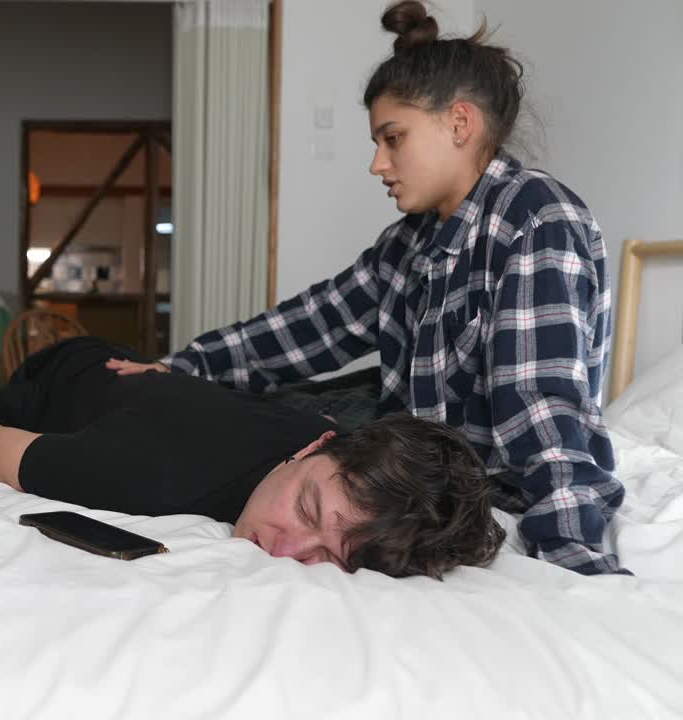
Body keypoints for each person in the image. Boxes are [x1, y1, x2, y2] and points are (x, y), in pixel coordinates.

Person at [107, 1, 624, 575]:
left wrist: (577, 565)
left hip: (460, 491)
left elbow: (547, 419)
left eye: (393, 138)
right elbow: (315, 324)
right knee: (223, 418)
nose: (378, 164)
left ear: (459, 124)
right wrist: (186, 367)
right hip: (394, 450)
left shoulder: (535, 219)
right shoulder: (408, 242)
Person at [0, 337, 504, 579]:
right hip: (69, 372)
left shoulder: (331, 441)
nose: (284, 551)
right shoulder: (145, 475)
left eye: (330, 557)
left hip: (160, 391)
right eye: (306, 509)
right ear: (313, 449)